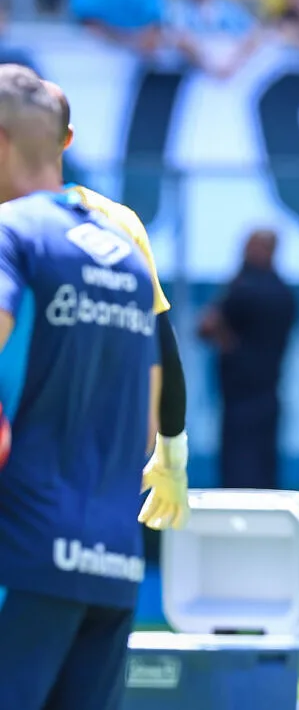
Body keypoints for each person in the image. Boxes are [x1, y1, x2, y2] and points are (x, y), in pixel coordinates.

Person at [0, 64, 186, 710]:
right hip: (111, 559)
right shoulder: (126, 249)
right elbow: (149, 411)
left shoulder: (12, 233)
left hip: (18, 554)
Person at [43, 80, 190, 498]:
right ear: (67, 139)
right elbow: (163, 348)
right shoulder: (118, 220)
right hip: (100, 468)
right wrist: (172, 452)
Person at [197, 229, 297, 490]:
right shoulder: (285, 294)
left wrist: (224, 337)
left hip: (242, 402)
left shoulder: (244, 291)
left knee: (239, 479)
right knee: (263, 478)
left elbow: (205, 327)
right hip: (265, 398)